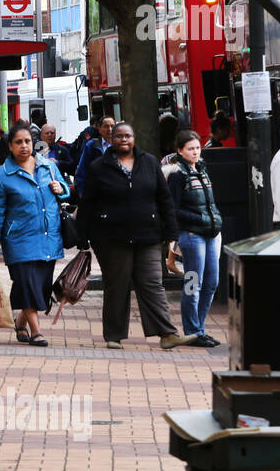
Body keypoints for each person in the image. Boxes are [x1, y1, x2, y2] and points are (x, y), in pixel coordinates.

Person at [78, 123, 198, 351]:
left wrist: (171, 231)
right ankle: (114, 335)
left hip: (148, 235)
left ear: (134, 138)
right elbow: (87, 204)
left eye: (128, 136)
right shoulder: (98, 167)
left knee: (152, 283)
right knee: (117, 285)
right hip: (111, 238)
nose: (123, 139)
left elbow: (164, 199)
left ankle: (167, 334)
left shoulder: (149, 162)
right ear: (112, 139)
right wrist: (82, 237)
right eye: (119, 136)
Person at [0, 122, 69, 347]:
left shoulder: (47, 166)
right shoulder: (2, 176)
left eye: (27, 141)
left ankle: (20, 322)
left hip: (48, 236)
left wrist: (62, 189)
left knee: (41, 287)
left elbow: (65, 189)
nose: (24, 146)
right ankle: (36, 331)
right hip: (19, 240)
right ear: (10, 146)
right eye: (18, 142)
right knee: (28, 283)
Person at [166, 130, 223, 347]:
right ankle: (192, 330)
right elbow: (173, 208)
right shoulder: (177, 174)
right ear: (180, 151)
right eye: (190, 149)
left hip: (210, 233)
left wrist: (214, 217)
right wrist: (200, 217)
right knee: (193, 283)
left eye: (197, 148)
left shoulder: (202, 169)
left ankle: (198, 328)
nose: (195, 152)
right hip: (191, 236)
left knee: (211, 282)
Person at [74, 114, 115, 190]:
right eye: (106, 126)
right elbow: (81, 171)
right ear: (99, 129)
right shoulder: (91, 146)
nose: (110, 129)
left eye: (112, 126)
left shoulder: (120, 145)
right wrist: (82, 194)